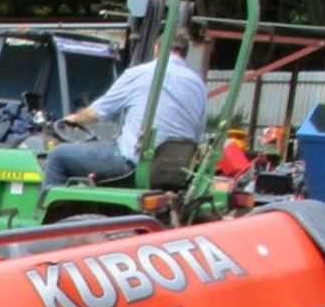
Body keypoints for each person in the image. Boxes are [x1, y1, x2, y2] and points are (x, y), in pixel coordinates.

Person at [42, 29, 207, 188]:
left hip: (133, 165)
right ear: (185, 53)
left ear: (157, 48)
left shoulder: (141, 73)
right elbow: (198, 133)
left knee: (57, 156)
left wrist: (73, 119)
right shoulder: (198, 85)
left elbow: (98, 112)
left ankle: (46, 214)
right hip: (173, 172)